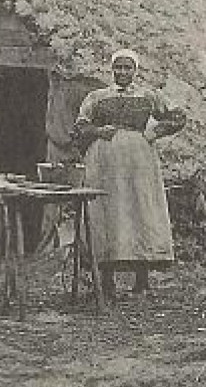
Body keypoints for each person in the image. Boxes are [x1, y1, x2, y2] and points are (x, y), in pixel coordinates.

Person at [71, 48, 186, 299]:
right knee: (107, 210)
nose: (122, 72)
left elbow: (178, 117)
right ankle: (107, 281)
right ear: (112, 70)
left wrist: (153, 133)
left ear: (135, 70)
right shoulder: (97, 97)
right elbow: (80, 125)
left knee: (139, 209)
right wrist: (98, 132)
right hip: (104, 161)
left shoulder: (149, 96)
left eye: (128, 68)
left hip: (138, 160)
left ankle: (142, 281)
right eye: (118, 68)